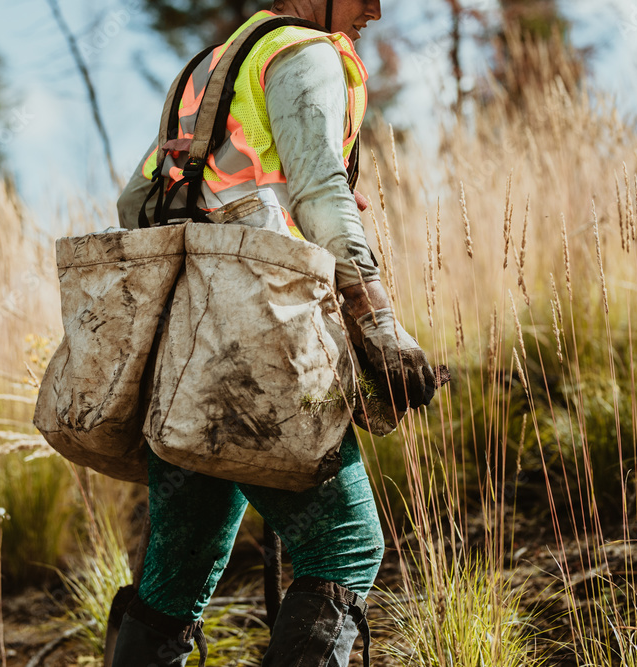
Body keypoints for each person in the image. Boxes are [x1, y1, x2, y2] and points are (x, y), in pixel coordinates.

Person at [112, 0, 437, 664]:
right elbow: (321, 194)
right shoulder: (307, 53)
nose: (375, 9)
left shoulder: (209, 66)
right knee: (346, 544)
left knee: (174, 581)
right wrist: (378, 323)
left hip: (180, 354)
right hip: (260, 343)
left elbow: (133, 202)